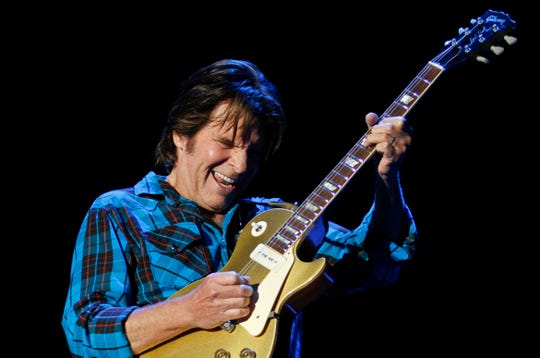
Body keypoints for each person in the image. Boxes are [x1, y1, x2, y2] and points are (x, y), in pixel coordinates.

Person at [62, 58, 418, 357]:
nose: (240, 165)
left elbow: (377, 264)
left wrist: (388, 179)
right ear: (181, 135)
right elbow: (84, 330)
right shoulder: (121, 211)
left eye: (254, 152)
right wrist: (188, 310)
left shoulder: (280, 221)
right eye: (226, 143)